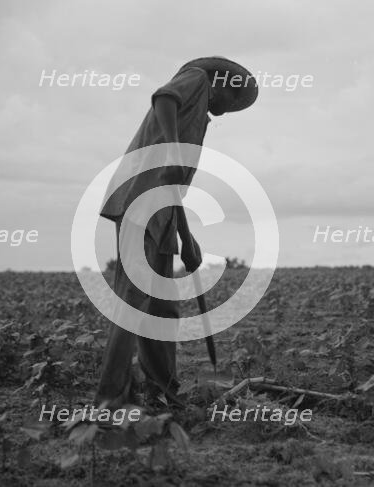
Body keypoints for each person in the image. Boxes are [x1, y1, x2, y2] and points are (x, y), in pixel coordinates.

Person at [96, 56, 258, 409]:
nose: (227, 113)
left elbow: (174, 184)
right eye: (233, 101)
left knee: (162, 309)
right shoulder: (197, 79)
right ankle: (110, 401)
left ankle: (163, 392)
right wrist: (170, 152)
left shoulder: (198, 121)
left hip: (163, 212)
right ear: (221, 82)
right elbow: (163, 98)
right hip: (140, 199)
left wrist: (187, 237)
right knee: (134, 303)